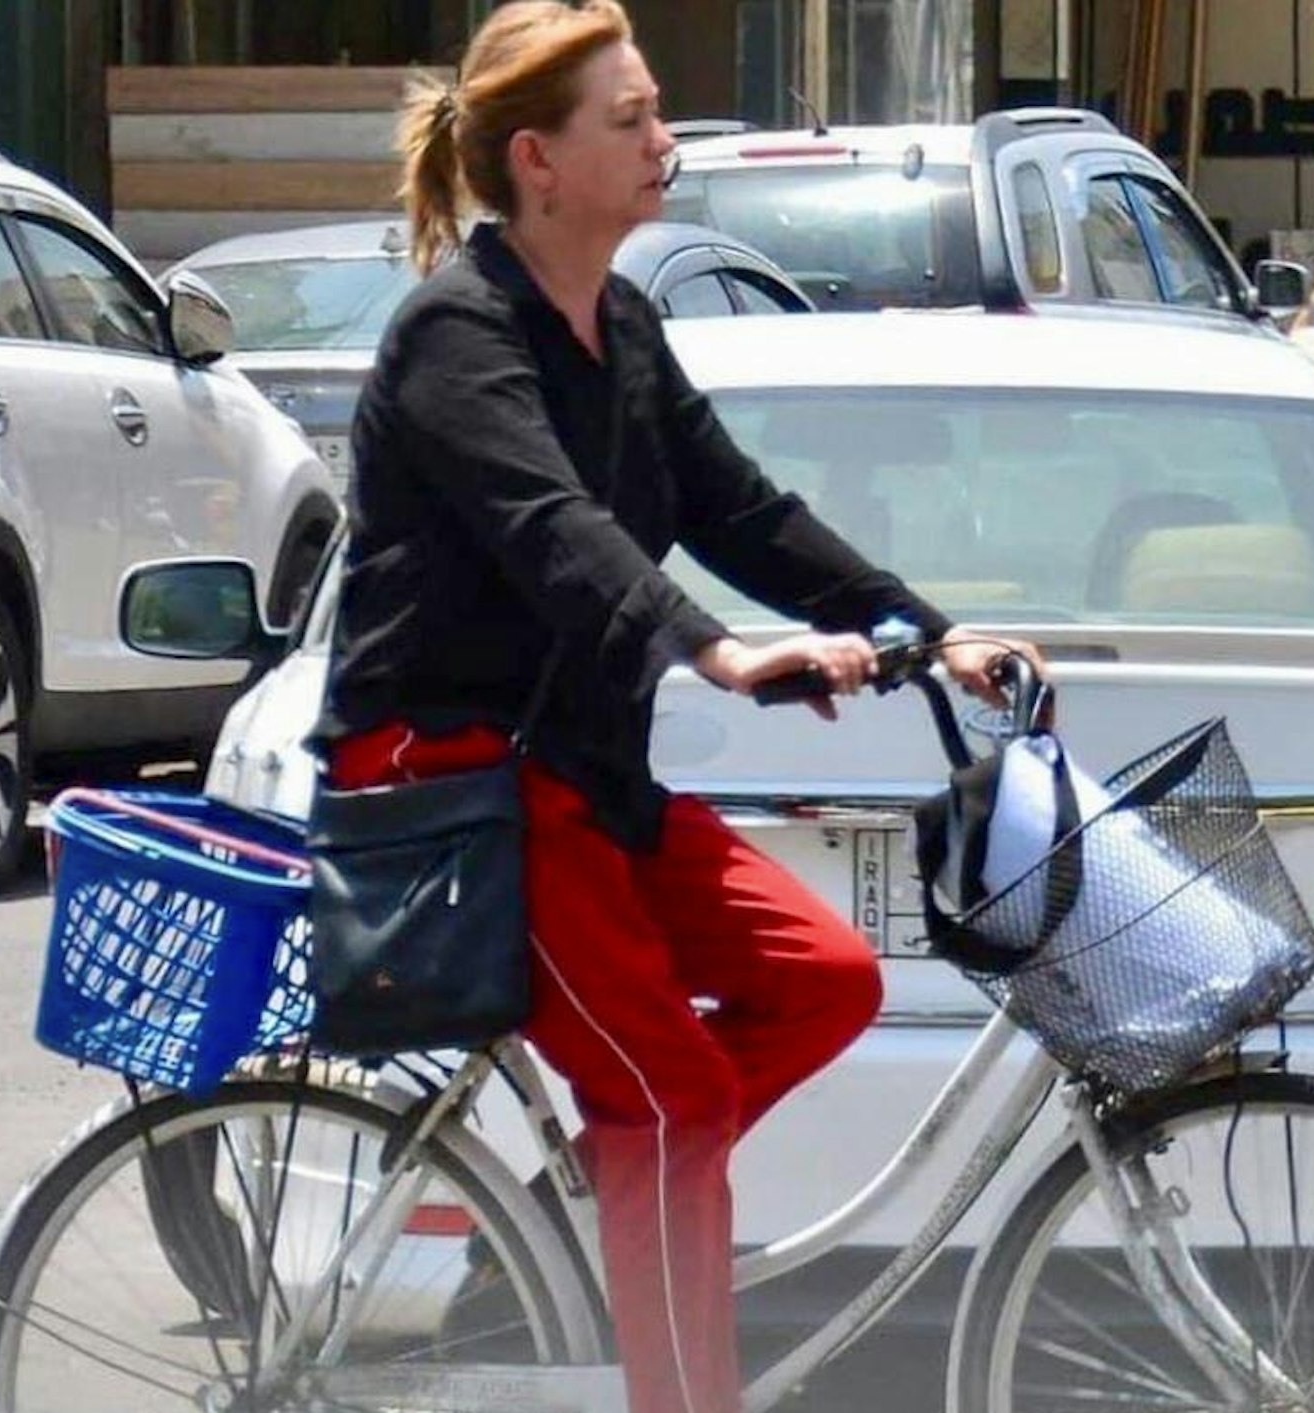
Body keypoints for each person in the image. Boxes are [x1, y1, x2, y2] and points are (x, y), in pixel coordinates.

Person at [310, 5, 1042, 1412]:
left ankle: (627, 1172)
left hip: (579, 771)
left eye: (658, 111)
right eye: (633, 119)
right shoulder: (459, 336)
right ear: (538, 159)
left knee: (822, 981)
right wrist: (715, 654)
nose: (666, 139)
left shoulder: (625, 325)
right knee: (673, 1097)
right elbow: (555, 528)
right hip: (454, 780)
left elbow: (739, 509)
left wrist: (925, 632)